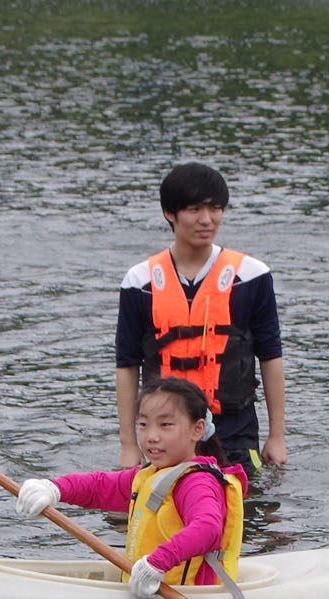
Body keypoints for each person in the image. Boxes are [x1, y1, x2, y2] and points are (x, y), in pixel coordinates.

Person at [11, 377, 248, 599]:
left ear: (197, 429)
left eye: (165, 425)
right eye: (143, 424)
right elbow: (100, 486)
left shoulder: (196, 482)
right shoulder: (153, 474)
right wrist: (54, 488)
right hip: (152, 589)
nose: (151, 436)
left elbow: (208, 528)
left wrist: (157, 563)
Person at [113, 162, 286, 480]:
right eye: (194, 209)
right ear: (170, 213)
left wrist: (277, 436)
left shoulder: (251, 276)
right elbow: (126, 365)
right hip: (163, 433)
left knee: (242, 519)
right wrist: (128, 444)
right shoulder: (139, 282)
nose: (207, 220)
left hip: (234, 429)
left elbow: (271, 355)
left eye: (215, 208)